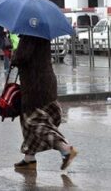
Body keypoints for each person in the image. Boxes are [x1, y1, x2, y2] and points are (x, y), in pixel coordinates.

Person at [11, 35, 77, 171]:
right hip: (45, 83)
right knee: (26, 120)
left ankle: (65, 149)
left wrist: (14, 55)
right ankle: (29, 158)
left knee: (34, 122)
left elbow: (22, 57)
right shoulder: (42, 35)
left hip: (35, 86)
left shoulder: (29, 36)